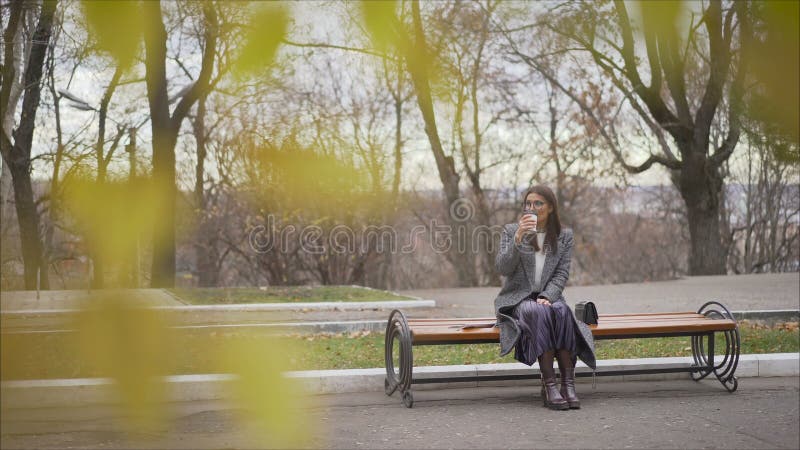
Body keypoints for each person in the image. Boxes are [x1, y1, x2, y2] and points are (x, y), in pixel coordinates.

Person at [493, 185, 596, 410]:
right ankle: (550, 385)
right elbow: (503, 268)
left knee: (562, 311)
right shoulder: (512, 231)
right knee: (537, 311)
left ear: (550, 207)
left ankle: (568, 385)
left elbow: (561, 273)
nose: (532, 208)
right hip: (517, 299)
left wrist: (548, 296)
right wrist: (519, 237)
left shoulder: (564, 236)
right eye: (528, 204)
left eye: (538, 203)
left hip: (550, 297)